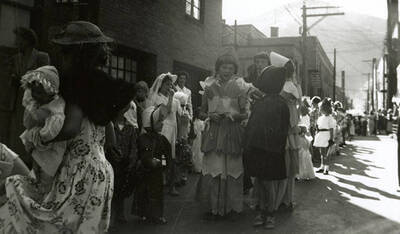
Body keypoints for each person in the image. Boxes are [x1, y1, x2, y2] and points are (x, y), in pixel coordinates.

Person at [0, 21, 135, 233]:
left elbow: (71, 127)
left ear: (76, 53)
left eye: (65, 52)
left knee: (45, 218)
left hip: (79, 171)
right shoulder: (101, 86)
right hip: (101, 173)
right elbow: (111, 136)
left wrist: (42, 138)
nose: (62, 57)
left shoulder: (77, 83)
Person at [196, 53, 250, 220]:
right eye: (223, 67)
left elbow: (245, 113)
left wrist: (233, 116)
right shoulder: (208, 87)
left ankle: (230, 208)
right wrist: (209, 116)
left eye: (230, 67)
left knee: (232, 170)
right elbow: (201, 111)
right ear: (217, 68)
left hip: (232, 133)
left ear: (235, 70)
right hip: (214, 133)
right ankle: (213, 209)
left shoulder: (240, 88)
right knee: (214, 169)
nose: (227, 70)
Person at [243, 66, 290, 229]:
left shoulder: (280, 104)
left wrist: (277, 146)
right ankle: (262, 211)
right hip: (259, 148)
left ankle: (270, 213)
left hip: (271, 150)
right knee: (261, 182)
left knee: (268, 183)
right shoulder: (260, 102)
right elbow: (252, 125)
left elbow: (284, 128)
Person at [19, 66, 66, 192]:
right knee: (35, 172)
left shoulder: (56, 106)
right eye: (33, 92)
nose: (35, 96)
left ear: (50, 91)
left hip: (51, 146)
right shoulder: (37, 103)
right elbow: (27, 123)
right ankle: (34, 191)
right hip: (38, 145)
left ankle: (42, 195)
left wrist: (39, 135)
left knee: (46, 177)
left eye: (39, 93)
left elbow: (52, 131)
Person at [8, 27, 50, 168]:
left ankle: (32, 167)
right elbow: (11, 79)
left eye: (18, 39)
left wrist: (26, 80)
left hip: (34, 104)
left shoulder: (41, 57)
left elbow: (46, 80)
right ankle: (18, 167)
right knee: (16, 138)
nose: (15, 42)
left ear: (27, 40)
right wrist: (13, 79)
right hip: (18, 102)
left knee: (32, 136)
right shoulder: (15, 58)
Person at [134, 105, 171, 225]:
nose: (162, 124)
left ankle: (157, 215)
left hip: (157, 172)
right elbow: (141, 154)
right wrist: (148, 161)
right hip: (145, 171)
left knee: (157, 193)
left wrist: (164, 166)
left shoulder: (162, 139)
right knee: (143, 192)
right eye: (159, 121)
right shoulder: (142, 139)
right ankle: (143, 213)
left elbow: (167, 155)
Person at [146, 72, 182, 196]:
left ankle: (172, 186)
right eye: (167, 84)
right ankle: (159, 183)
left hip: (172, 129)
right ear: (161, 85)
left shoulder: (176, 100)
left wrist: (180, 134)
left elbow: (177, 117)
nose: (169, 87)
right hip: (162, 129)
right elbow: (162, 113)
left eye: (171, 84)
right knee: (161, 157)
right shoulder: (156, 98)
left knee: (172, 158)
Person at [110, 103, 138, 225]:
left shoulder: (130, 128)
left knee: (121, 188)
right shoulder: (110, 126)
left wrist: (132, 159)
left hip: (125, 163)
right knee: (112, 188)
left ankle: (120, 212)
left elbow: (133, 146)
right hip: (112, 161)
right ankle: (112, 213)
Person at [314, 98, 336, 175]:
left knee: (327, 154)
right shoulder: (320, 118)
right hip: (321, 135)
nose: (321, 110)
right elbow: (318, 127)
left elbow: (331, 129)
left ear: (326, 109)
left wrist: (331, 138)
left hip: (327, 135)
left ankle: (327, 168)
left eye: (322, 109)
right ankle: (322, 166)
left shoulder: (330, 118)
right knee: (322, 153)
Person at [191, 107, 205, 173]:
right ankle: (199, 168)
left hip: (196, 138)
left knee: (195, 152)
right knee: (199, 152)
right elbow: (203, 130)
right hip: (199, 137)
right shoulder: (201, 122)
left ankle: (196, 167)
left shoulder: (194, 122)